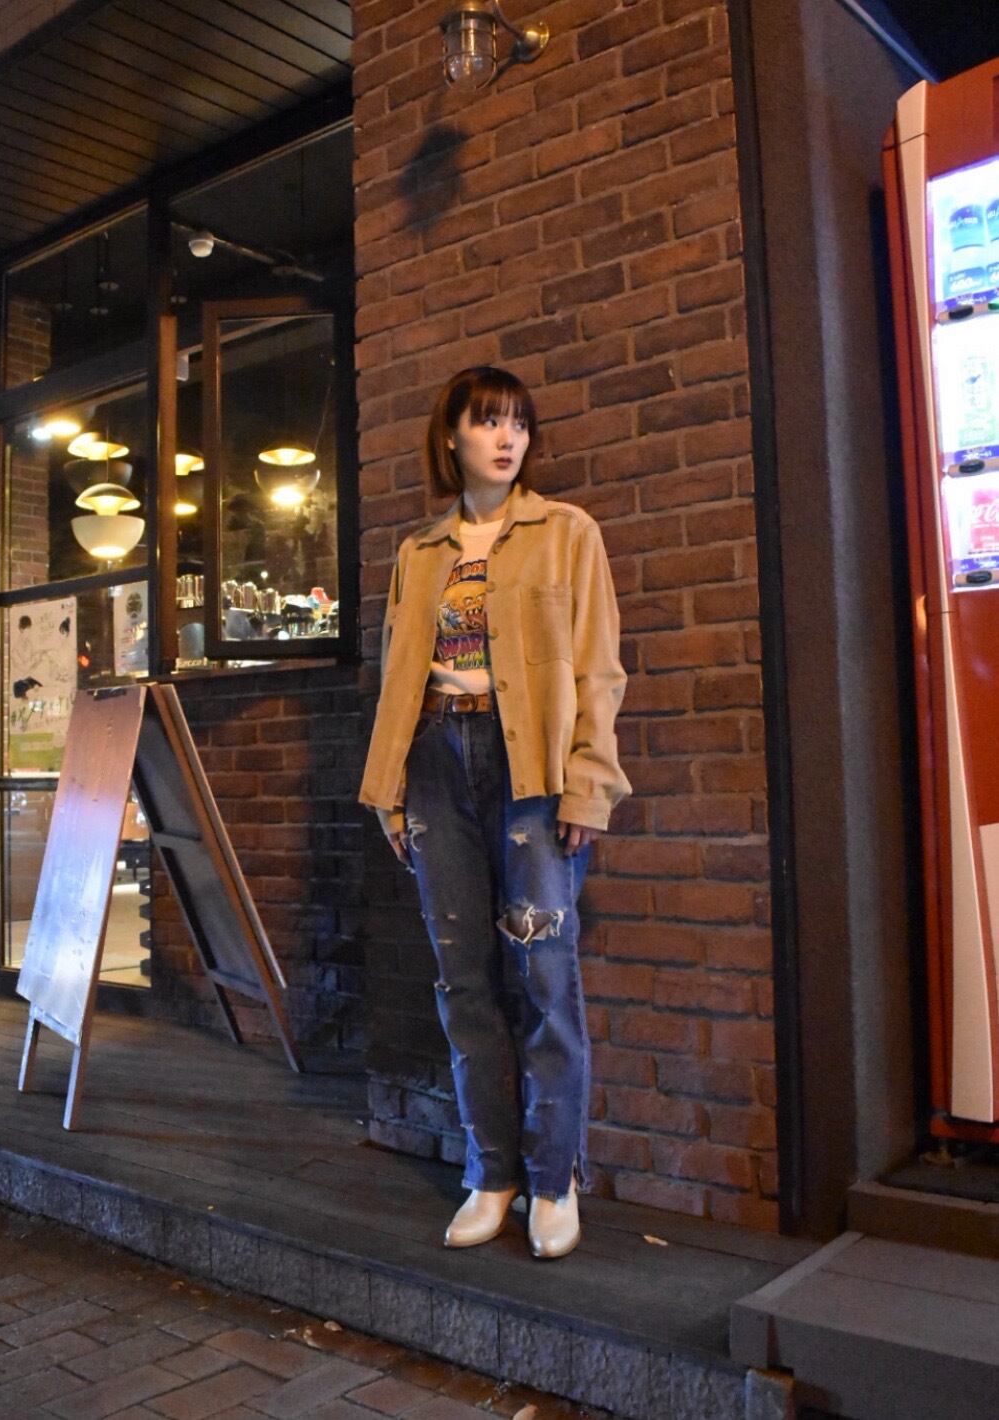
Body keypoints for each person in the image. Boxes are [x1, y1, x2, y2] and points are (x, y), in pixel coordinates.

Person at [359, 366, 630, 1259]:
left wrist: (588, 782)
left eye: (518, 423)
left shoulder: (567, 533)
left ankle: (552, 1181)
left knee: (544, 975)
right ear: (452, 437)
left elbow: (597, 669)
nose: (507, 438)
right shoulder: (419, 552)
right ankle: (492, 1173)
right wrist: (388, 790)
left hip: (531, 769)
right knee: (462, 977)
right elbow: (398, 678)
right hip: (435, 762)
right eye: (487, 423)